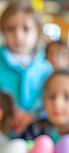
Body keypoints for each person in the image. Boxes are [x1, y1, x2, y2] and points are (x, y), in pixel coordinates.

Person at [0, 1, 53, 134]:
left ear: (38, 32)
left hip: (37, 132)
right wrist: (10, 113)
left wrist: (32, 116)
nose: (18, 34)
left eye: (26, 29)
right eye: (10, 28)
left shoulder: (46, 68)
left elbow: (48, 99)